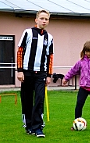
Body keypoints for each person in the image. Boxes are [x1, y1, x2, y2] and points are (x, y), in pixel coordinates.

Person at [17, 9, 54, 138]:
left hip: (41, 73)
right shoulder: (27, 33)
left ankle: (38, 127)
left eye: (46, 19)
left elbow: (50, 57)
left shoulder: (49, 37)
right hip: (27, 72)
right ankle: (28, 125)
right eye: (42, 18)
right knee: (27, 100)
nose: (44, 21)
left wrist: (49, 75)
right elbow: (20, 51)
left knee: (39, 99)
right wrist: (20, 70)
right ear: (36, 20)